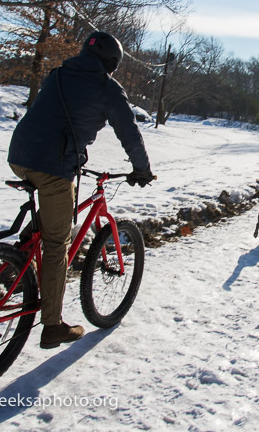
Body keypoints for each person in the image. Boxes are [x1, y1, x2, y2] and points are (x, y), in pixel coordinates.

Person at [8, 30, 154, 349]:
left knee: (49, 218)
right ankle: (52, 326)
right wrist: (142, 168)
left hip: (18, 156)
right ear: (112, 62)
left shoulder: (58, 73)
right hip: (53, 166)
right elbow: (129, 133)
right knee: (58, 243)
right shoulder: (107, 88)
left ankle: (22, 254)